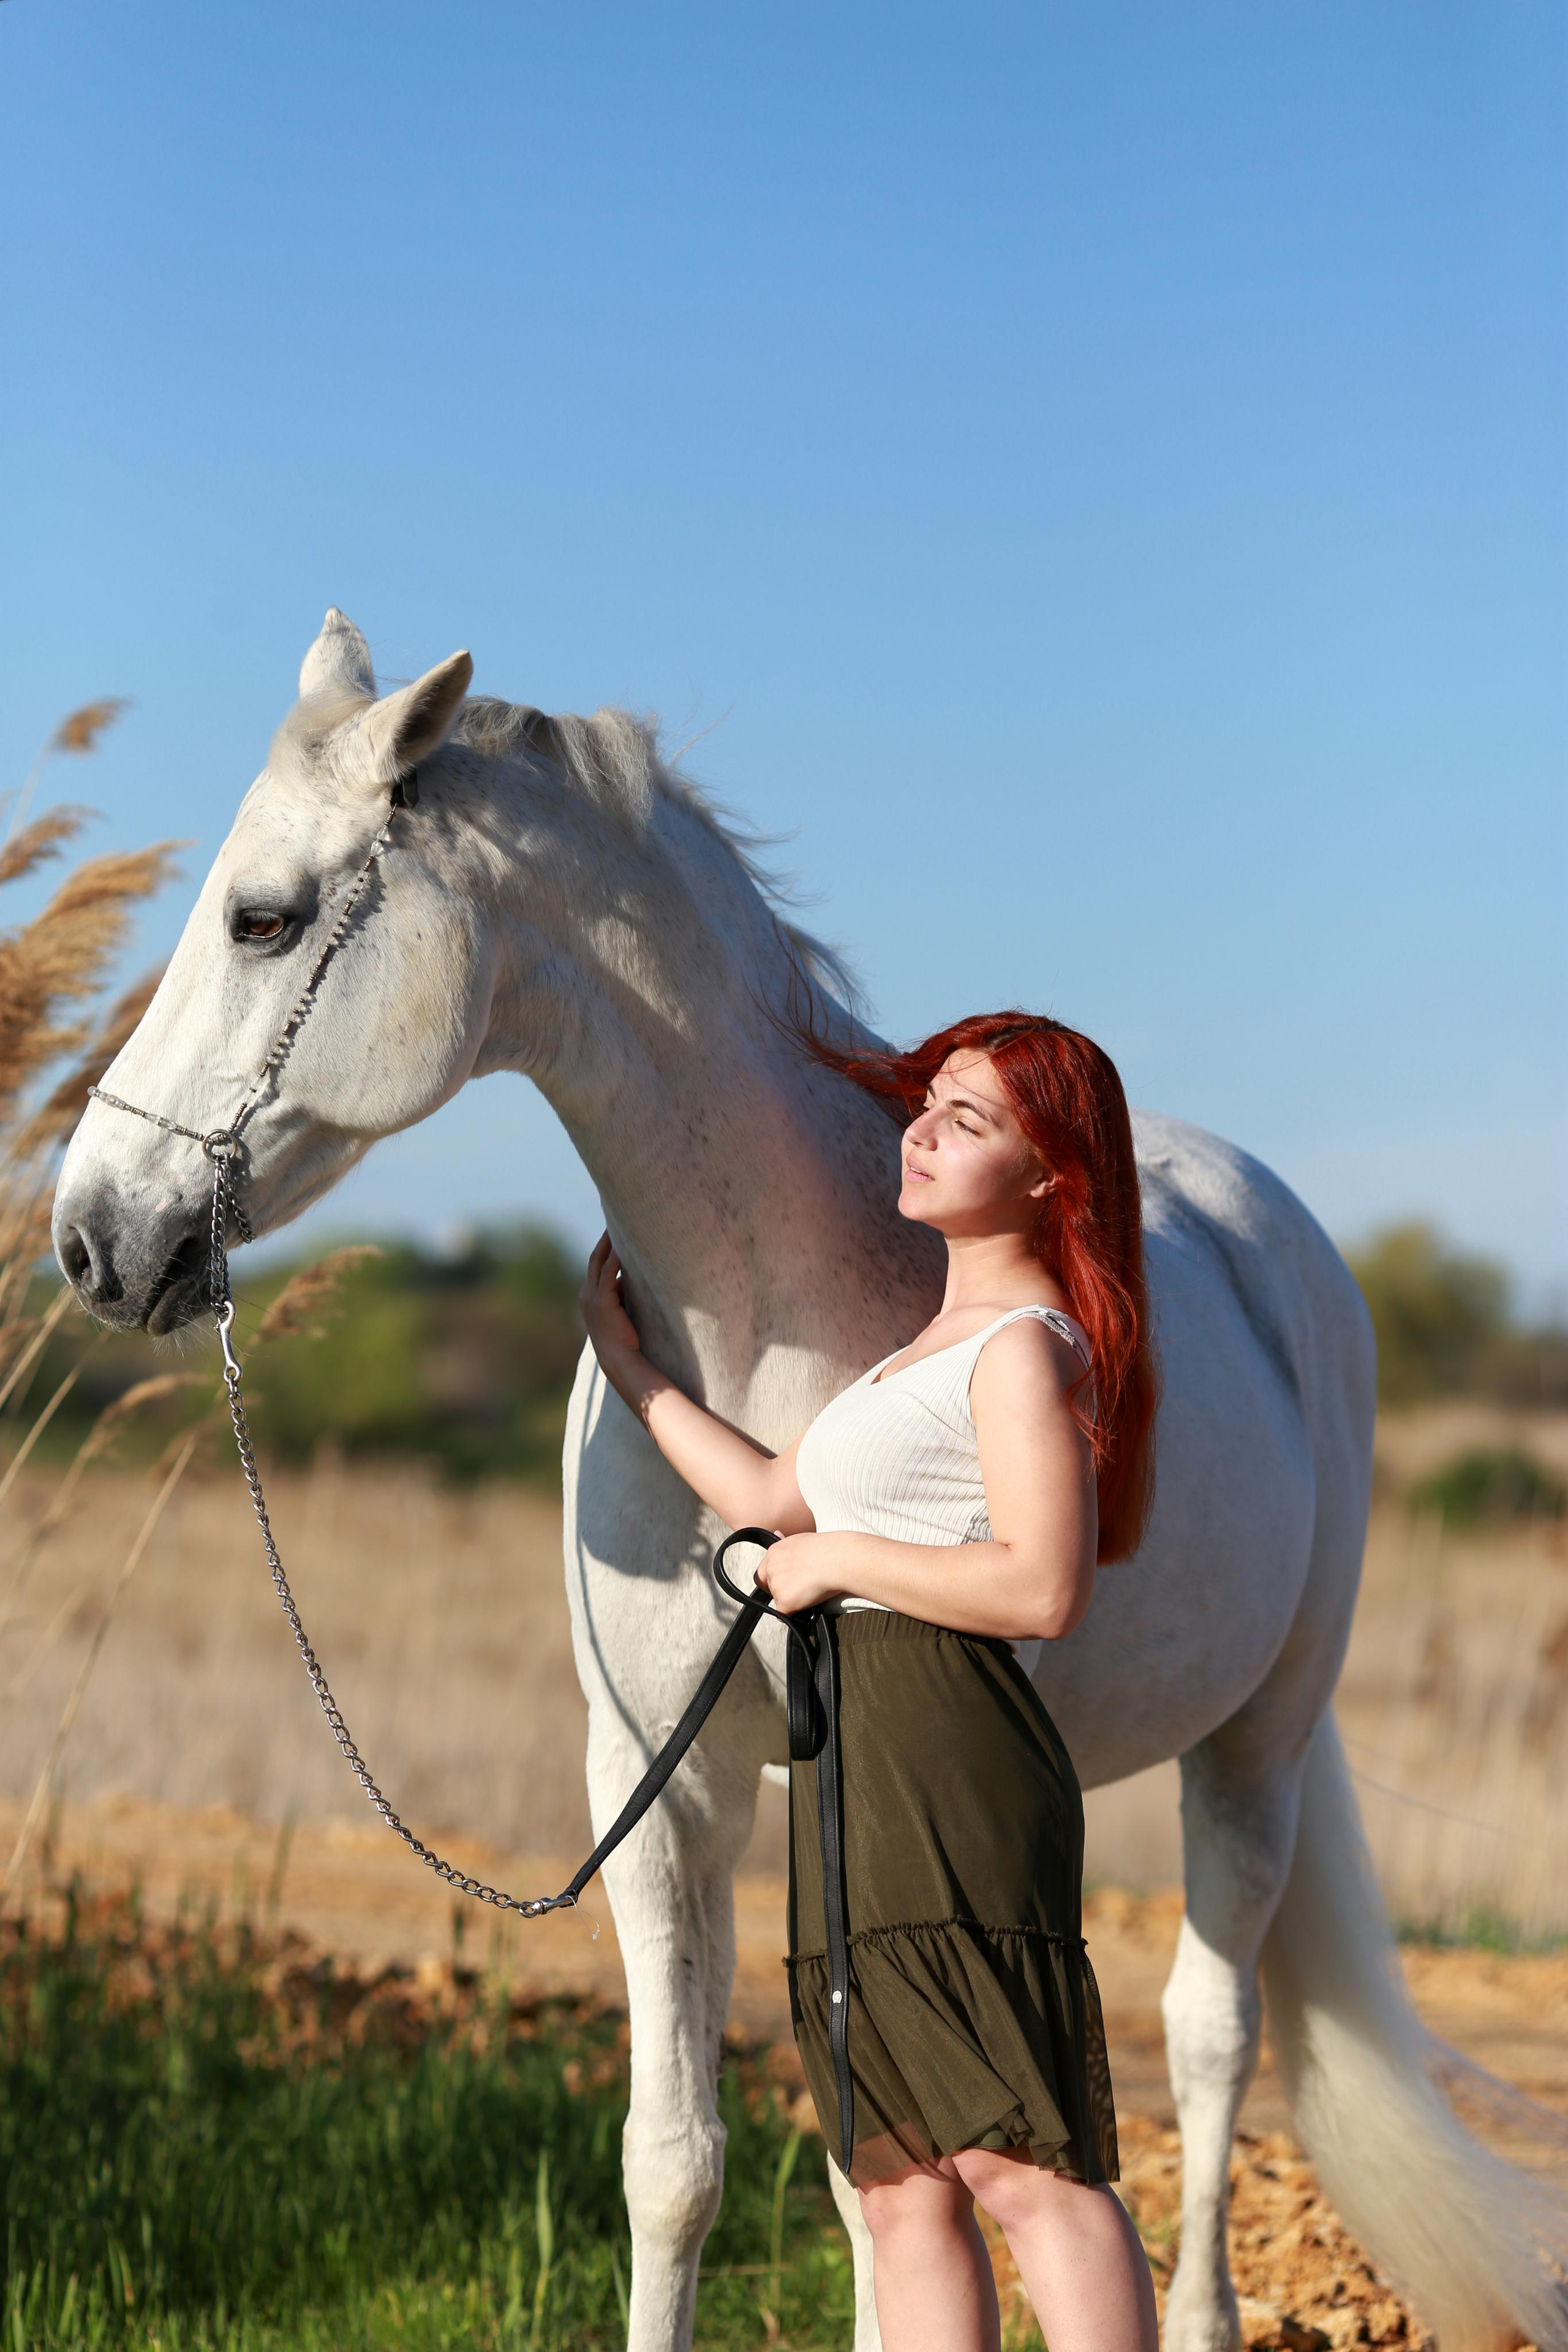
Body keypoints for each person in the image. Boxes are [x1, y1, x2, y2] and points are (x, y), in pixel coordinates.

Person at [579, 1009, 1161, 2352]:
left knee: (1021, 2167)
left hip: (950, 1759)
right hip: (854, 1767)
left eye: (970, 1121)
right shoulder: (915, 1355)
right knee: (897, 2184)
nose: (922, 1131)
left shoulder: (1022, 1347)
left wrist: (837, 1559)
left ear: (1047, 1174)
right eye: (927, 1104)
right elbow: (772, 1498)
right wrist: (629, 1366)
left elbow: (1042, 1589)